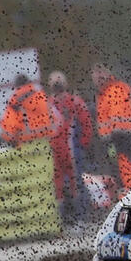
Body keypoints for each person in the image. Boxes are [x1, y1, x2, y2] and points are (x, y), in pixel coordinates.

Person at [47, 71, 92, 220]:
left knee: (76, 183)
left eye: (59, 80)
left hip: (73, 150)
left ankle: (82, 217)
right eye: (54, 81)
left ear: (66, 84)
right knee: (59, 186)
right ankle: (65, 219)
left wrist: (83, 144)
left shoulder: (75, 101)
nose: (57, 84)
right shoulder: (48, 105)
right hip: (54, 152)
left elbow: (86, 124)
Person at [92, 64, 131, 194]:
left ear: (108, 73)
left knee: (126, 173)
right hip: (114, 140)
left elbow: (118, 121)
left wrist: (111, 140)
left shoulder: (114, 90)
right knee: (120, 174)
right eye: (95, 73)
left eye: (101, 73)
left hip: (119, 140)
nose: (98, 77)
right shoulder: (104, 93)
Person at [0, 74, 54, 146]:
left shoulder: (15, 102)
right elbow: (55, 119)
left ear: (16, 86)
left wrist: (11, 141)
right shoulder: (42, 96)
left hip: (27, 145)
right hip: (48, 143)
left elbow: (9, 128)